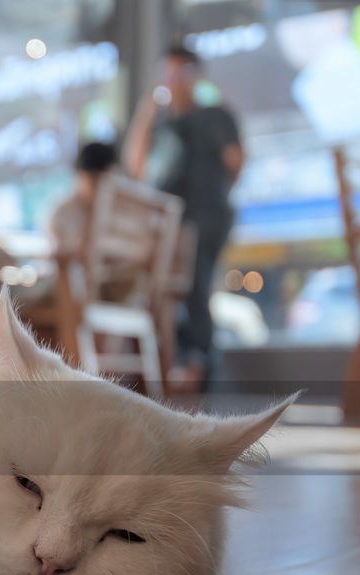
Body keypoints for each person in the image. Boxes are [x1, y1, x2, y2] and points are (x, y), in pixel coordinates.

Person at [123, 45, 244, 390]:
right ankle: (174, 364)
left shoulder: (215, 116)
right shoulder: (161, 124)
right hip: (165, 226)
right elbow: (136, 166)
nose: (172, 81)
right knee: (168, 293)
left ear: (196, 75)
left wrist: (213, 195)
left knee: (196, 288)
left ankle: (199, 367)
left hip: (205, 216)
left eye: (180, 73)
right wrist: (147, 112)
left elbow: (236, 162)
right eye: (167, 73)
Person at [49, 141, 119, 258]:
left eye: (105, 181)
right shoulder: (61, 214)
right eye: (94, 180)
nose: (100, 188)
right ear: (79, 175)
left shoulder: (121, 212)